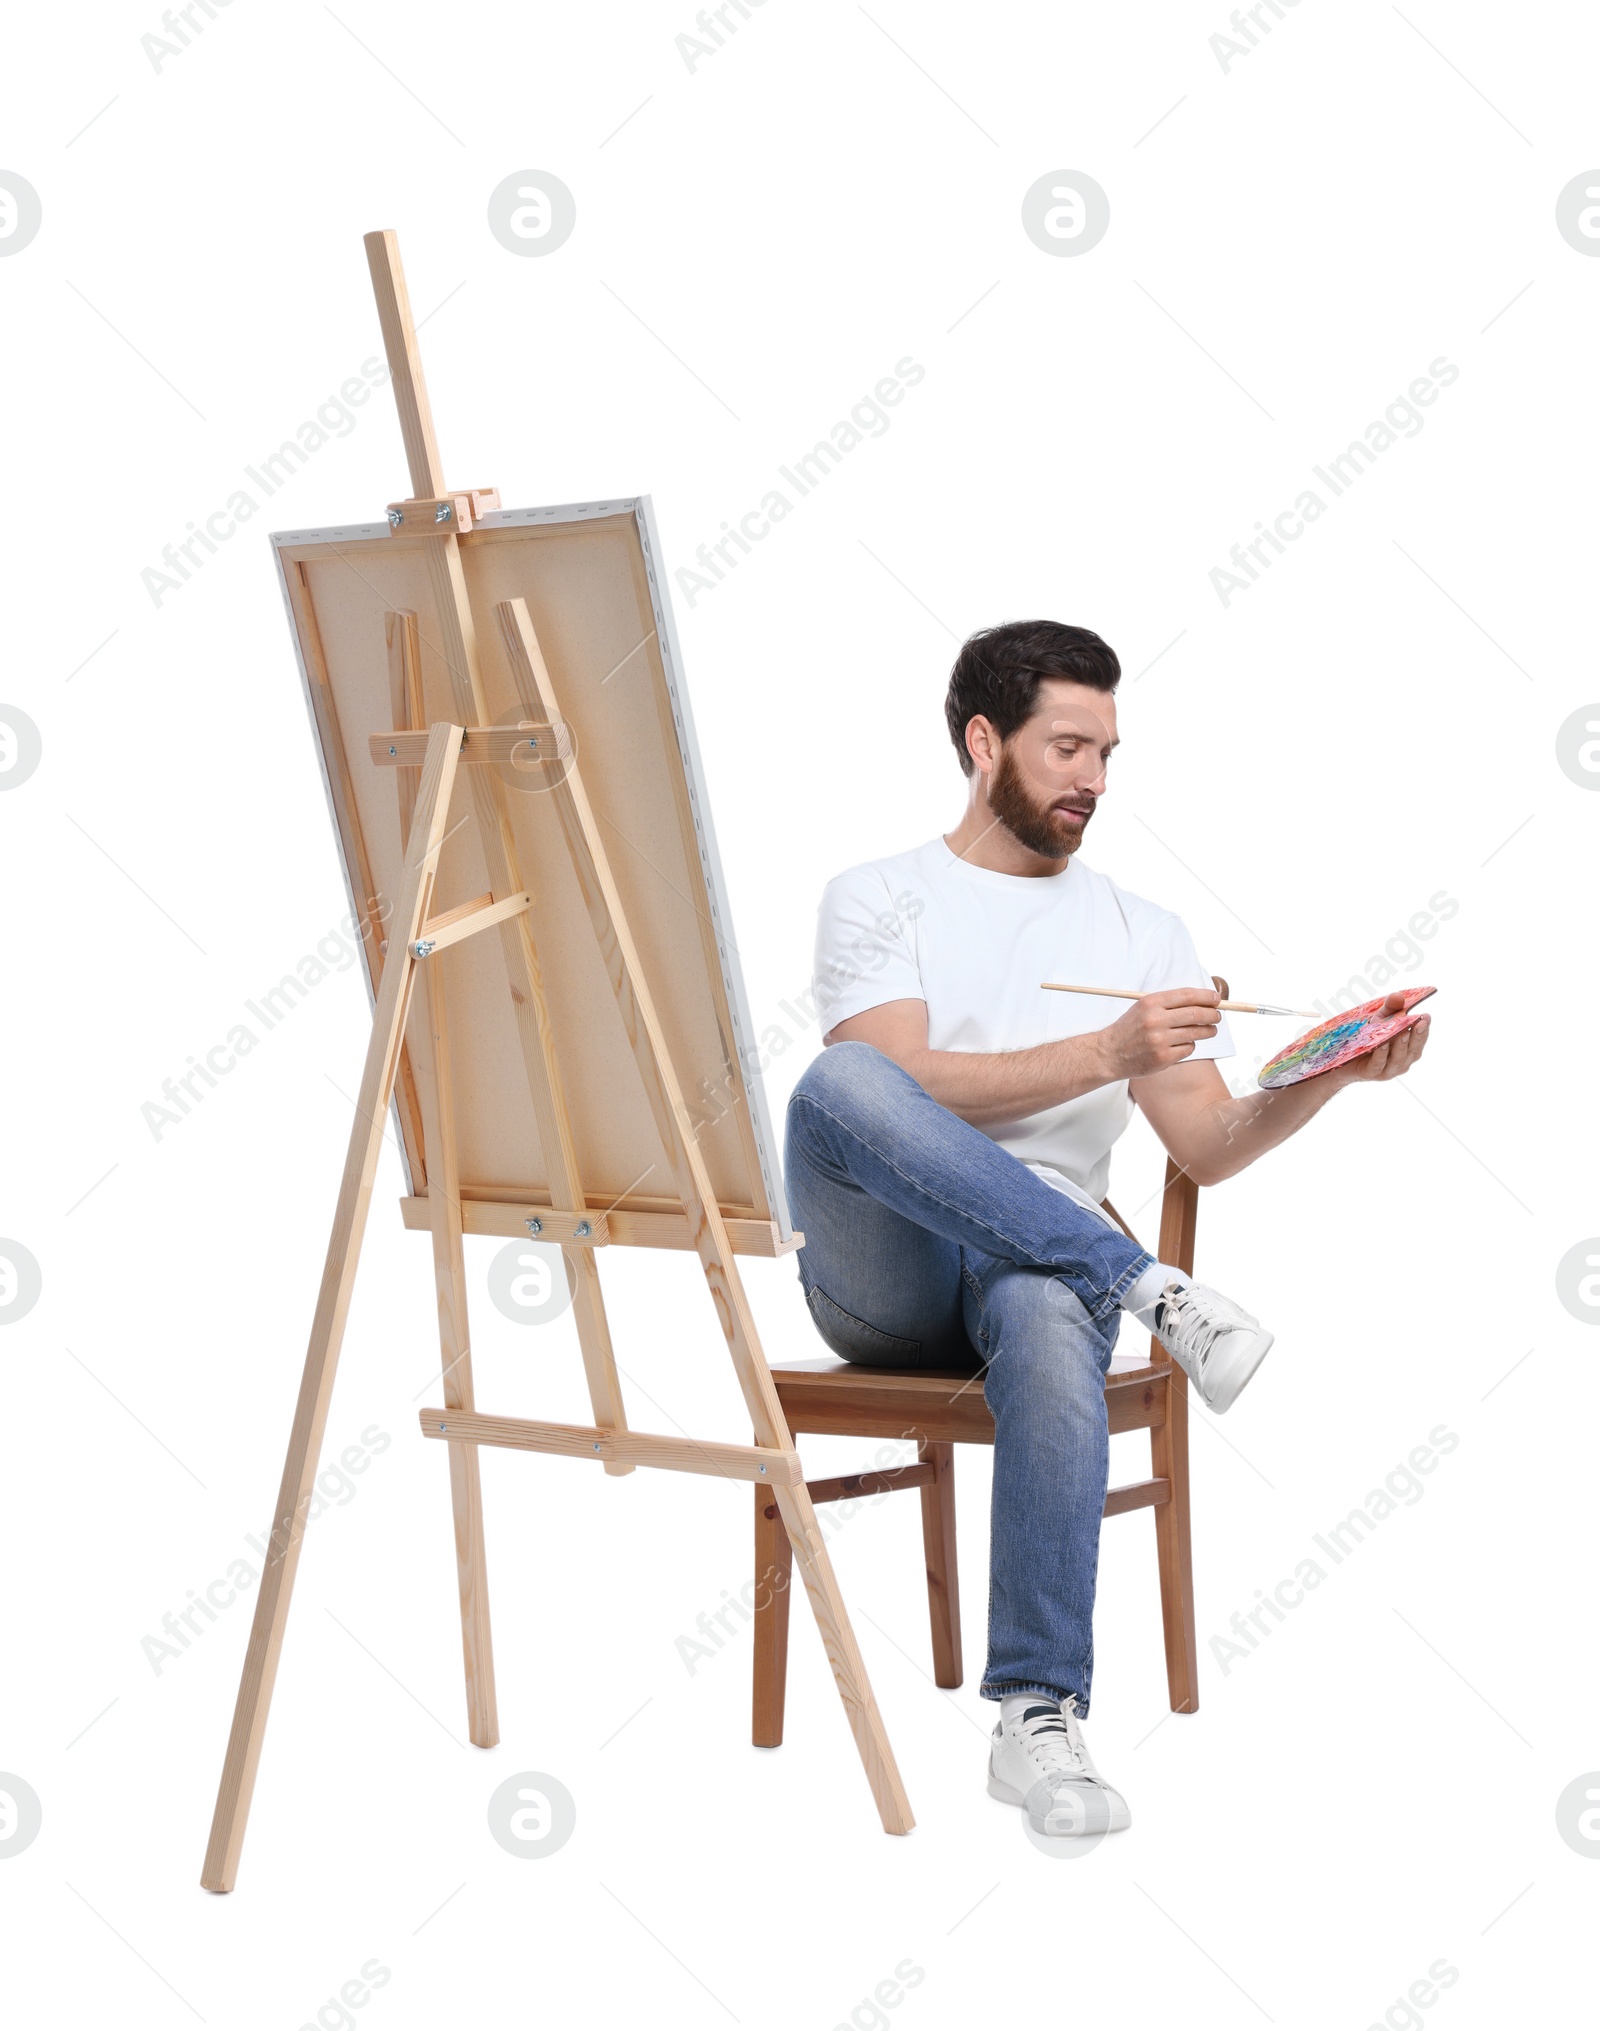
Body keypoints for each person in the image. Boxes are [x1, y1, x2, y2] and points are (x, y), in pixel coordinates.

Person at [784, 619, 1429, 1838]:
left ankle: (1035, 1720)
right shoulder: (876, 896)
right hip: (891, 1272)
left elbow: (1206, 1145)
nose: (1091, 780)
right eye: (1065, 747)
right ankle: (1148, 1285)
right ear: (984, 743)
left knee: (1039, 1302)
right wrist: (1102, 1050)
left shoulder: (1143, 930)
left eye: (1106, 753)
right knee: (837, 1085)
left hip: (1037, 1269)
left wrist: (1334, 1072)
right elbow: (890, 1091)